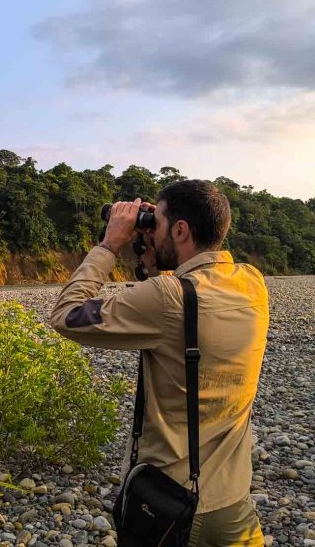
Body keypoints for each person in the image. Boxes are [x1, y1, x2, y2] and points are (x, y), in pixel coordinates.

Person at [50, 179, 269, 546]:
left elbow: (66, 314)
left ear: (181, 230)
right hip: (233, 505)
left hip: (171, 506)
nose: (150, 233)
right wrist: (156, 262)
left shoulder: (166, 298)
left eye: (158, 223)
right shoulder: (252, 282)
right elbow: (186, 311)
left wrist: (109, 245)